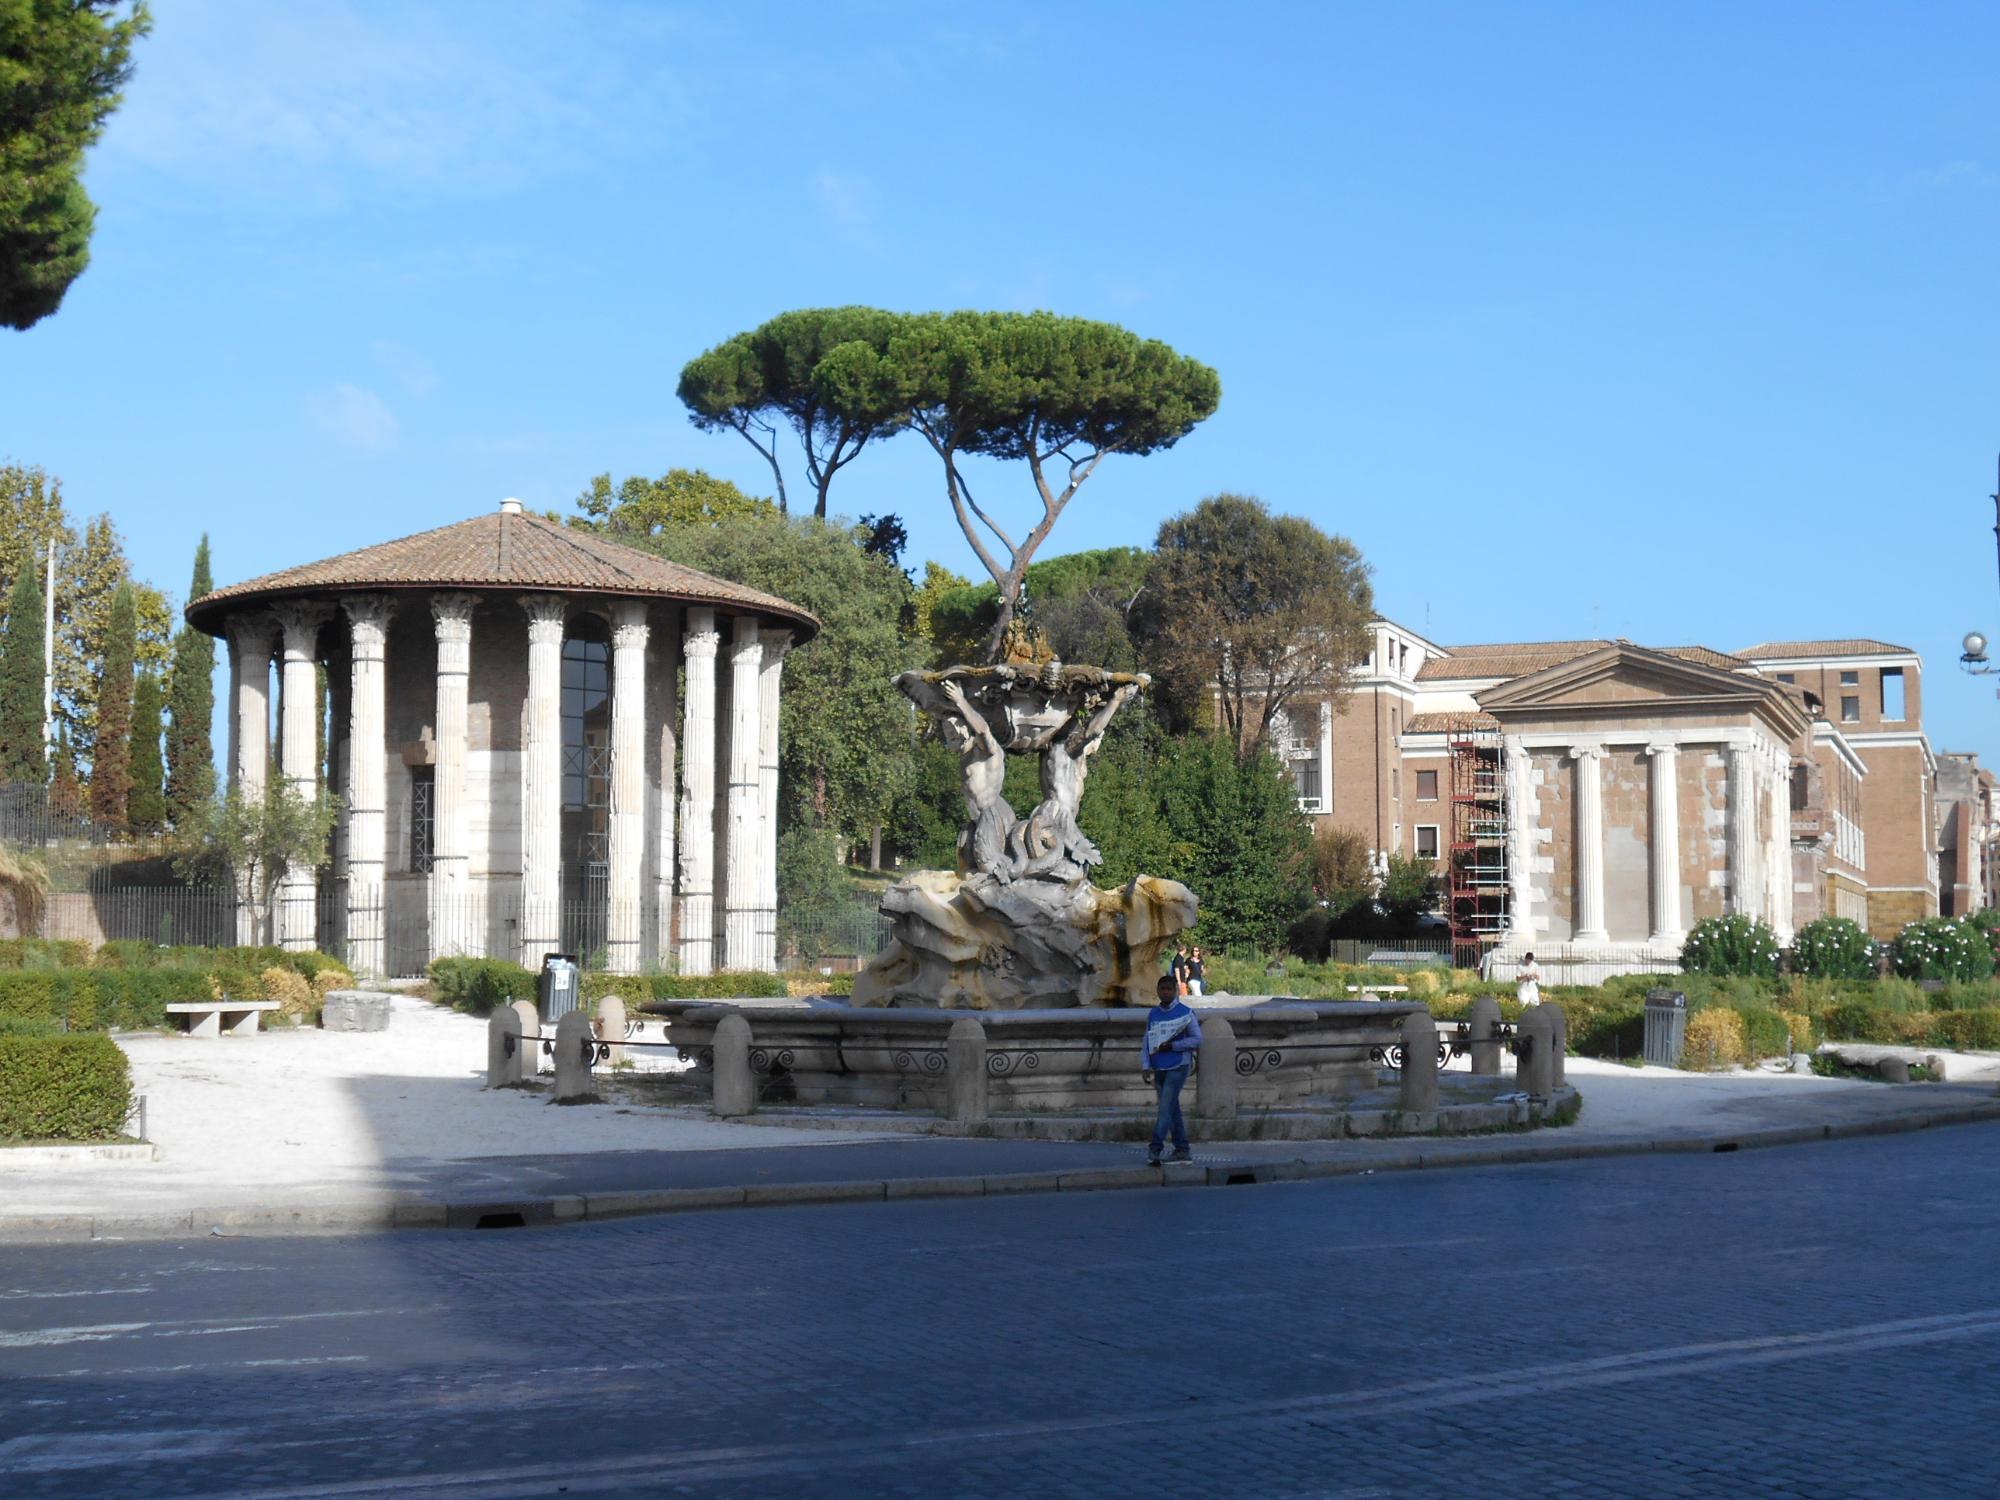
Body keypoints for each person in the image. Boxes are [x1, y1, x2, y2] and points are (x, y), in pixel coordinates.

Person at [1142, 973, 1203, 1165]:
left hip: (1178, 1065)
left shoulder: (1186, 1012)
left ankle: (1155, 1147)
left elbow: (1197, 1038)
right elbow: (1147, 1040)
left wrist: (1174, 1046)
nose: (1166, 992)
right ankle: (1182, 1148)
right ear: (1158, 991)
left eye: (1169, 989)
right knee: (1172, 1109)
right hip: (1159, 1065)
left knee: (1165, 1108)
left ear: (1175, 991)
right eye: (1162, 989)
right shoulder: (1153, 1013)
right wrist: (1146, 1065)